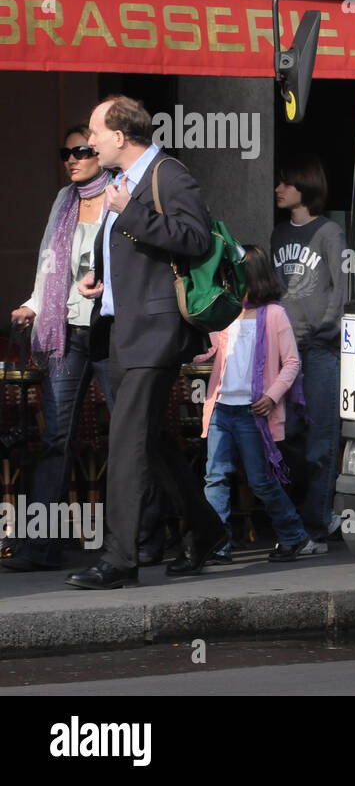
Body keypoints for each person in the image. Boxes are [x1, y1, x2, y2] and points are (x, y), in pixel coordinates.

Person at [65, 95, 227, 589]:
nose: (88, 142)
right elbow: (128, 250)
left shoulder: (168, 175)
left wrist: (130, 211)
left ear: (119, 135)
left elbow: (195, 238)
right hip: (122, 329)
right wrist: (99, 276)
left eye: (94, 133)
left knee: (128, 445)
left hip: (155, 332)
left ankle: (119, 559)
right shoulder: (120, 183)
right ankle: (205, 528)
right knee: (153, 443)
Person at [3, 127, 113, 570]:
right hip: (66, 331)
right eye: (65, 152)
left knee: (135, 435)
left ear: (100, 153)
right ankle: (41, 546)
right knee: (55, 441)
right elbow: (49, 266)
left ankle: (148, 537)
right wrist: (33, 304)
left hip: (110, 329)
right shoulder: (64, 202)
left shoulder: (121, 197)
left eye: (82, 151)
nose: (72, 159)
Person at [198, 245, 322, 562]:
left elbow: (292, 362)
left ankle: (294, 536)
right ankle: (216, 542)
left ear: (251, 277)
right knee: (216, 476)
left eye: (234, 274)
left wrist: (271, 396)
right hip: (221, 407)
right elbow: (214, 352)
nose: (228, 281)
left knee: (261, 481)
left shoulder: (275, 315)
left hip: (253, 413)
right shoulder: (223, 312)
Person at [271, 156, 347, 546]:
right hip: (286, 349)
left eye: (285, 183)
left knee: (321, 437)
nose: (278, 189)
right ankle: (318, 512)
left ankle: (315, 524)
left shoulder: (329, 232)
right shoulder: (279, 234)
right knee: (288, 436)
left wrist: (325, 330)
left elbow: (340, 286)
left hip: (319, 349)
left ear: (304, 186)